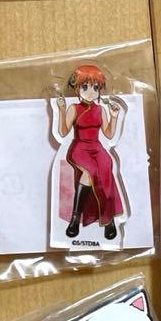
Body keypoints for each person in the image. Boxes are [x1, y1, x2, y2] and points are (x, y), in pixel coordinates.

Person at [55, 64, 123, 240]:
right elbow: (63, 132)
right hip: (79, 148)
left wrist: (114, 117)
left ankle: (108, 218)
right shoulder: (74, 108)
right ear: (77, 88)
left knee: (106, 168)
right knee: (90, 172)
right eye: (85, 87)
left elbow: (109, 134)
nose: (91, 92)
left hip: (97, 147)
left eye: (95, 87)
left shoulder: (100, 110)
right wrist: (61, 110)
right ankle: (76, 219)